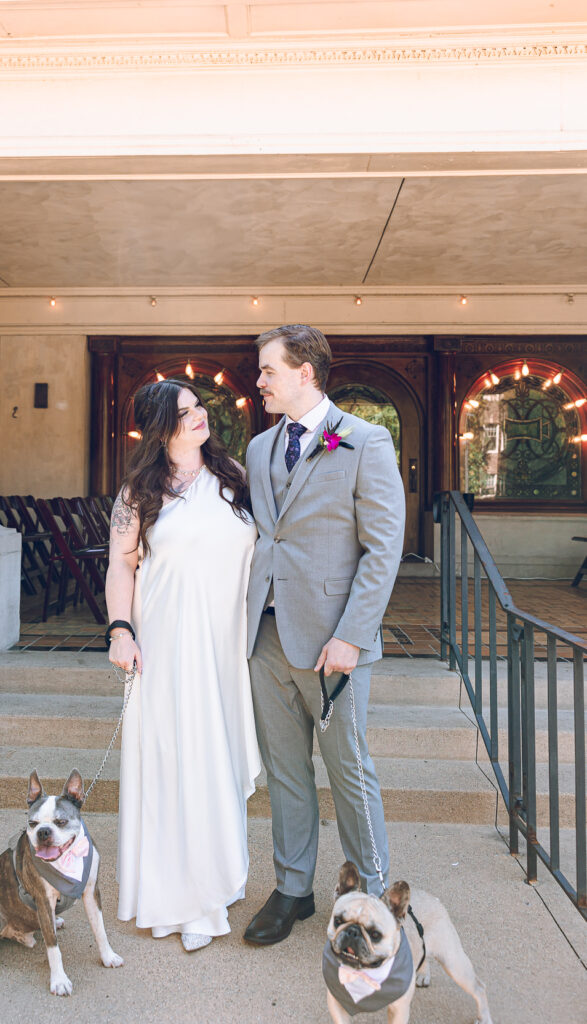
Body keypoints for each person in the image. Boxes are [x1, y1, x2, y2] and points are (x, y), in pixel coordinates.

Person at [243, 325, 405, 946]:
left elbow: (383, 547)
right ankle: (292, 890)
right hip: (265, 638)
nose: (259, 381)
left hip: (335, 644)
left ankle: (375, 896)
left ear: (305, 371)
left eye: (267, 371)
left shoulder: (366, 441)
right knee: (285, 771)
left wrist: (353, 637)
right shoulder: (258, 449)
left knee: (351, 772)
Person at [106, 378, 260, 952]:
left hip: (225, 645)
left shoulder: (236, 477)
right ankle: (174, 897)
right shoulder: (137, 493)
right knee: (172, 761)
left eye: (199, 407)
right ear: (159, 429)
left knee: (213, 759)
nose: (199, 417)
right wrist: (121, 630)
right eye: (183, 413)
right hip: (164, 643)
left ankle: (211, 888)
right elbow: (122, 566)